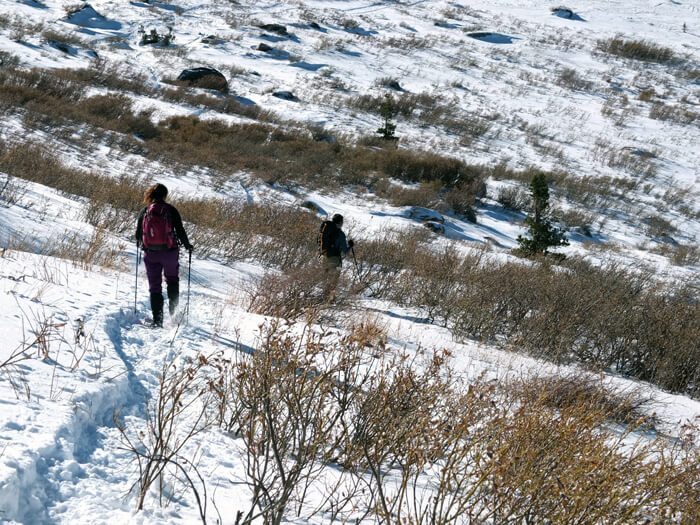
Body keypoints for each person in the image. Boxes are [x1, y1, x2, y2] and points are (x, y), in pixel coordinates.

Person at [135, 183, 193, 327]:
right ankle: (174, 316)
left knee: (155, 287)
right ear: (165, 195)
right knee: (172, 281)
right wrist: (187, 245)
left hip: (151, 254)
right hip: (169, 253)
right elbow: (179, 230)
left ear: (150, 195)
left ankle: (157, 320)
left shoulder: (145, 211)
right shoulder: (171, 210)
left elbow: (138, 235)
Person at [318, 214, 354, 301]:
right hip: (335, 260)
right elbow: (345, 251)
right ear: (341, 222)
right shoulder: (340, 234)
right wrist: (350, 246)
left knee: (325, 278)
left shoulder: (326, 230)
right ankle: (330, 298)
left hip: (323, 257)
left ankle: (323, 296)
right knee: (334, 279)